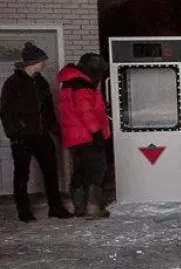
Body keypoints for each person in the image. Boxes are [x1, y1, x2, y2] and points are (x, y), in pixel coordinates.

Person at [0, 42, 68, 221]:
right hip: (22, 137)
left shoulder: (41, 82)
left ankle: (56, 207)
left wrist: (56, 131)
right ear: (32, 62)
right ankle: (24, 211)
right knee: (22, 174)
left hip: (42, 135)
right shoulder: (12, 83)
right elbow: (6, 112)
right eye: (42, 60)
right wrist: (14, 135)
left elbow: (48, 110)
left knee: (50, 171)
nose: (44, 64)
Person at [57, 53, 112, 219]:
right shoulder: (82, 86)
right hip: (86, 135)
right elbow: (85, 112)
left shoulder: (71, 83)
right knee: (98, 169)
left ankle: (78, 207)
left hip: (75, 137)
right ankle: (93, 208)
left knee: (81, 171)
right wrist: (96, 133)